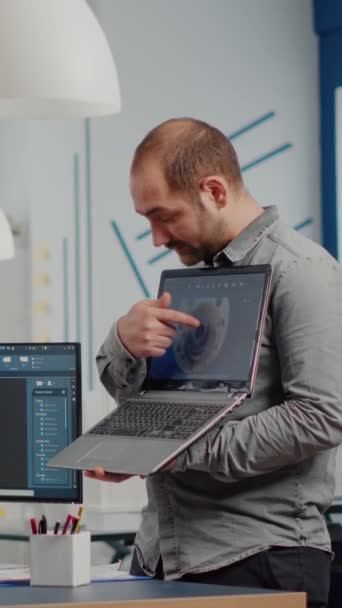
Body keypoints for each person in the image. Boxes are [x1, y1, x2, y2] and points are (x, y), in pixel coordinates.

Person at [87, 118, 342, 608]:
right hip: (162, 555)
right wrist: (123, 339)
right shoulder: (197, 278)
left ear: (214, 190)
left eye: (164, 216)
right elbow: (151, 400)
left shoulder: (303, 271)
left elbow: (321, 417)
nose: (157, 237)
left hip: (260, 557)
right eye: (147, 220)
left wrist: (176, 451)